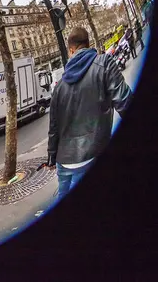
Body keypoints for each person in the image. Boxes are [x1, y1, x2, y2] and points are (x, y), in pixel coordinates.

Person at [43, 27, 132, 200]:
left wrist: (52, 158)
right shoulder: (104, 63)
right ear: (88, 44)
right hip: (91, 155)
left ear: (71, 50)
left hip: (64, 161)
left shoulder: (59, 86)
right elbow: (125, 102)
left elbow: (53, 128)